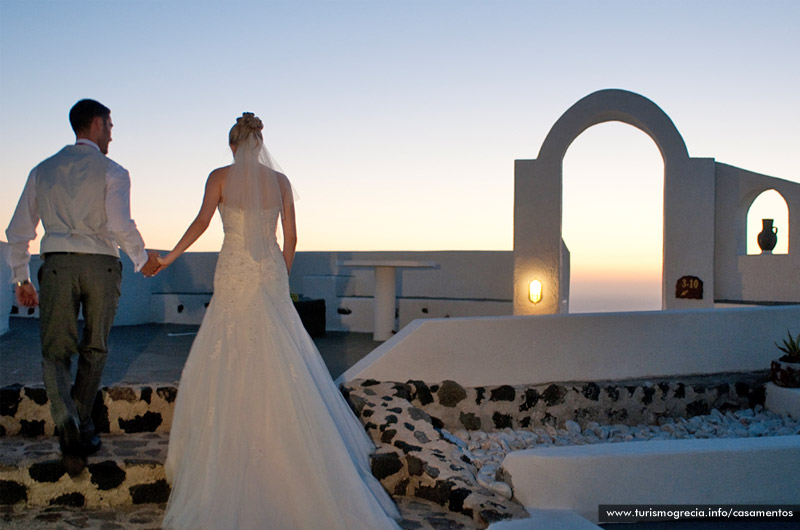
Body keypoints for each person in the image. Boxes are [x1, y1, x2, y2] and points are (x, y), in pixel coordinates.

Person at [159, 113, 401, 530]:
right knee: (280, 348)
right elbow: (291, 238)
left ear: (233, 145)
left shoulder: (218, 176)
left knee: (230, 345)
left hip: (234, 267)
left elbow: (201, 224)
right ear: (259, 143)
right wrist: (279, 272)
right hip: (268, 269)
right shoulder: (281, 182)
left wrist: (167, 259)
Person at [6, 99, 160, 477]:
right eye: (109, 125)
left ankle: (69, 422)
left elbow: (18, 229)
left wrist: (21, 277)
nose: (111, 133)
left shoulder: (42, 170)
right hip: (101, 265)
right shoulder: (113, 171)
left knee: (55, 351)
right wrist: (142, 260)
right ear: (95, 124)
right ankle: (80, 424)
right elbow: (120, 224)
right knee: (95, 347)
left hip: (57, 263)